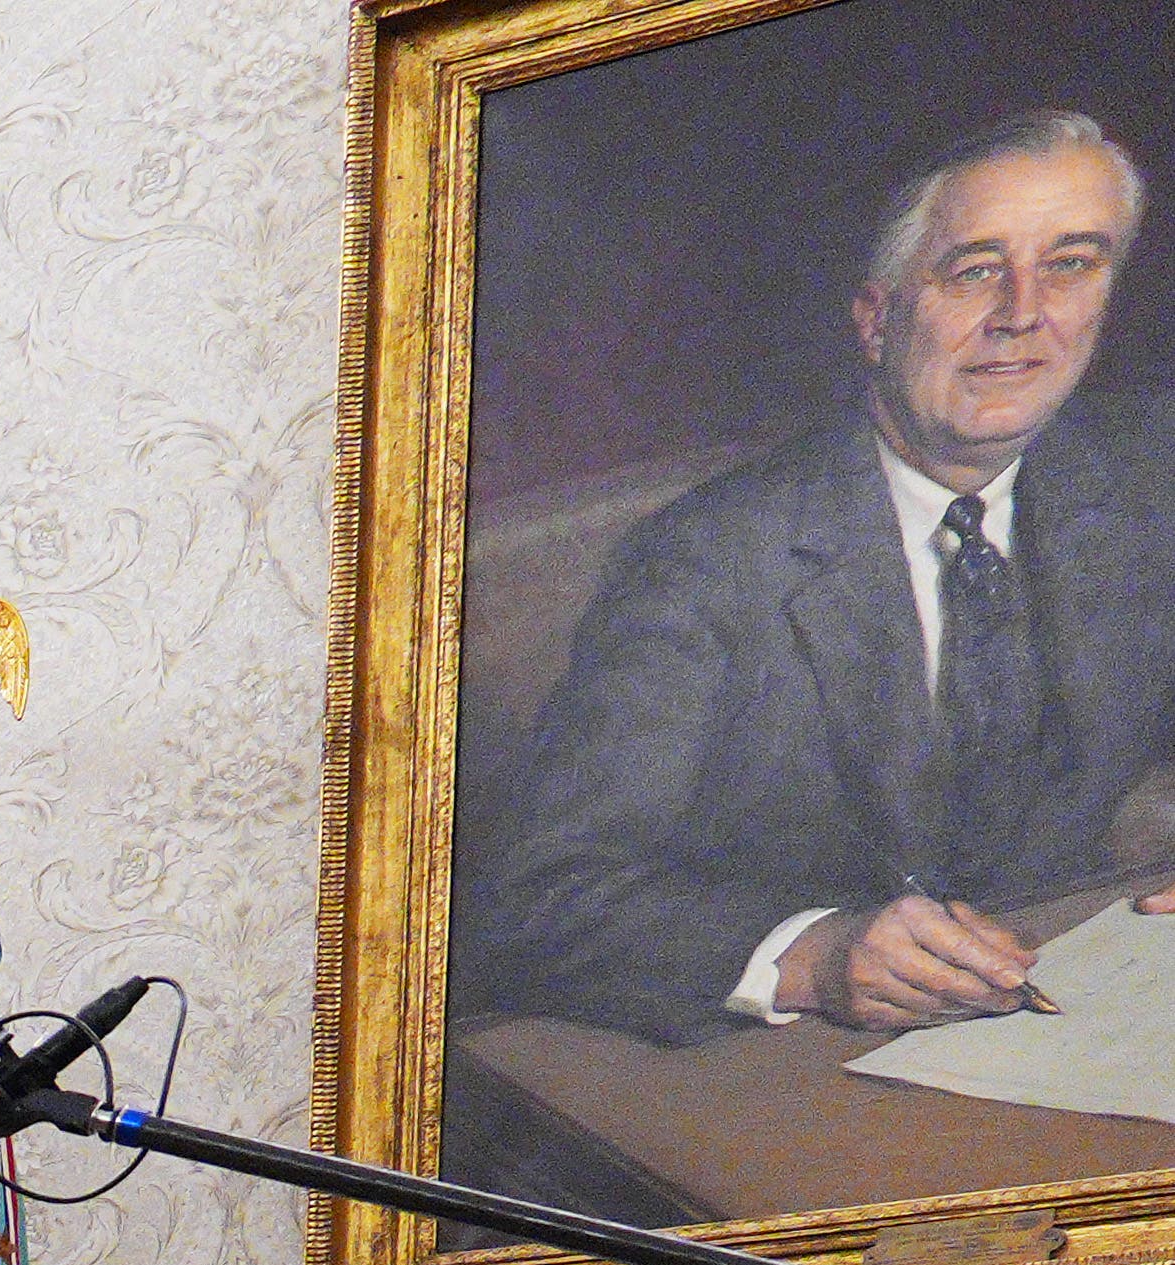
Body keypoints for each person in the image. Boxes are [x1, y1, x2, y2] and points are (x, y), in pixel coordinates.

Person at [468, 112, 1175, 1039]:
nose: (1022, 314)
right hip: (794, 1081)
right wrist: (817, 955)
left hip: (1089, 1021)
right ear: (877, 321)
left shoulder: (1148, 475)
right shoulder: (708, 560)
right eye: (973, 270)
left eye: (1072, 265)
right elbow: (536, 899)